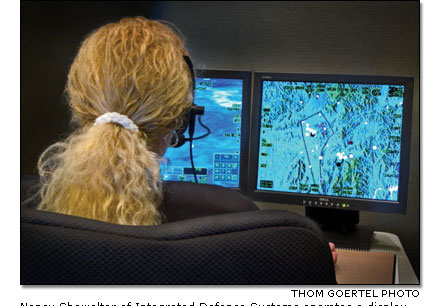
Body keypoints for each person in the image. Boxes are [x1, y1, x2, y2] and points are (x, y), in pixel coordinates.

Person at [35, 17, 337, 263]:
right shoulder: (232, 218)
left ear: (79, 103)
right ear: (180, 121)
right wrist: (315, 264)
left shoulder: (28, 211)